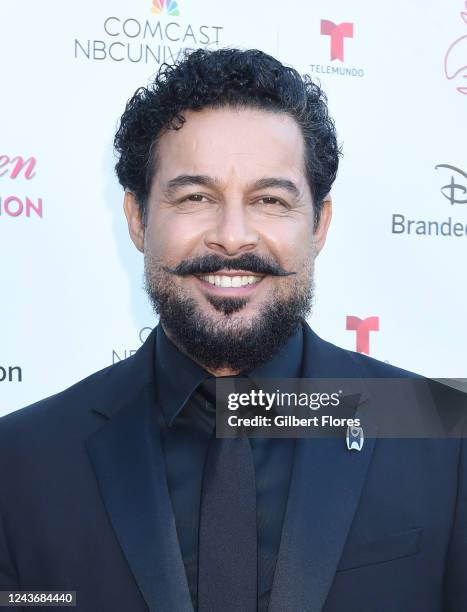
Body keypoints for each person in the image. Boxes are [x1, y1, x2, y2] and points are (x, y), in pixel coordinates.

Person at [0, 48, 465, 612]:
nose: (233, 236)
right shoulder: (22, 462)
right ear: (138, 218)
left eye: (270, 200)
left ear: (319, 225)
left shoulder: (443, 435)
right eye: (196, 197)